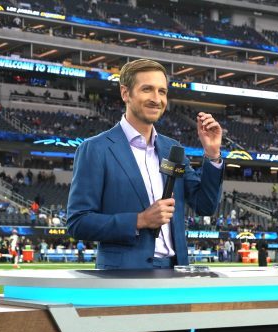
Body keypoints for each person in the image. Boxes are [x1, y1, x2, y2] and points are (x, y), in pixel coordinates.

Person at [67, 59, 224, 269]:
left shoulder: (172, 149)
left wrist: (212, 154)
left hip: (176, 272)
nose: (156, 99)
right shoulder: (96, 149)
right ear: (125, 93)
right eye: (147, 89)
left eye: (162, 91)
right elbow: (78, 222)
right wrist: (140, 220)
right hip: (124, 276)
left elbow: (205, 206)